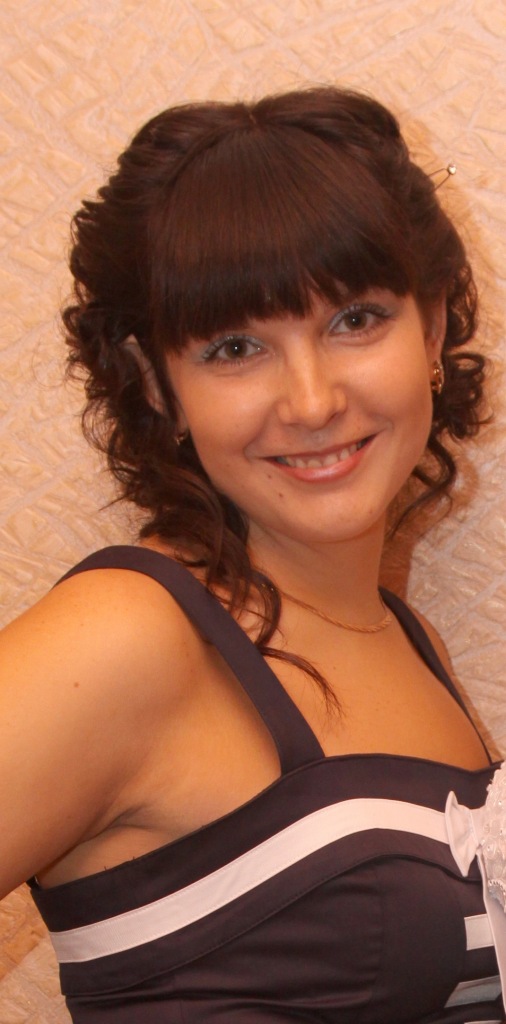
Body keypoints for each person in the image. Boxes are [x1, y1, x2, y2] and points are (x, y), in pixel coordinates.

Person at [0, 85, 504, 1024]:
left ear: (432, 328)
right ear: (157, 383)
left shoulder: (409, 640)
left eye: (355, 320)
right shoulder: (130, 636)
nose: (312, 401)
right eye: (235, 348)